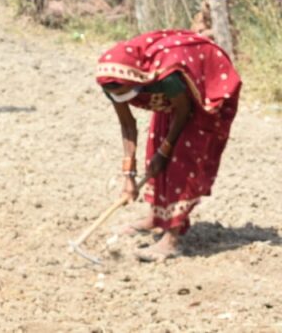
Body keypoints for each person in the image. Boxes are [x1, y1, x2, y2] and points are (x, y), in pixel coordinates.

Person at [96, 29, 240, 262]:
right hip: (172, 98)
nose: (123, 98)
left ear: (136, 80)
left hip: (205, 89)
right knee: (155, 144)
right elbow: (128, 126)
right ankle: (156, 218)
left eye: (125, 93)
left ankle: (172, 238)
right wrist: (128, 175)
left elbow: (184, 112)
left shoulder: (168, 75)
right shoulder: (111, 80)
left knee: (183, 159)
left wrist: (166, 150)